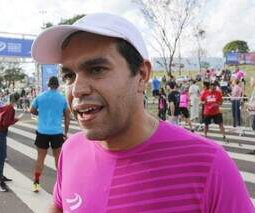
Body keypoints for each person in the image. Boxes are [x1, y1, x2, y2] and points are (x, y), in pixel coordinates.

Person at [31, 13, 254, 212]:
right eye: (69, 75)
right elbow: (59, 206)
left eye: (96, 69)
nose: (77, 89)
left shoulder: (209, 165)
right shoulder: (70, 150)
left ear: (141, 74)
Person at [30, 76, 70, 192]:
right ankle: (61, 185)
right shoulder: (62, 99)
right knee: (58, 159)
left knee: (40, 159)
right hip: (57, 132)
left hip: (42, 132)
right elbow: (67, 117)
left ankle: (36, 184)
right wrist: (65, 132)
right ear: (57, 85)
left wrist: (40, 114)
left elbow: (31, 110)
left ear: (48, 85)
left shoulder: (40, 96)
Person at [0, 93, 21, 192]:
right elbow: (6, 123)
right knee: (1, 156)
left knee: (2, 155)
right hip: (0, 133)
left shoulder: (4, 106)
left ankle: (1, 176)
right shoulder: (10, 109)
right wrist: (16, 120)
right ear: (17, 100)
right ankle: (0, 181)